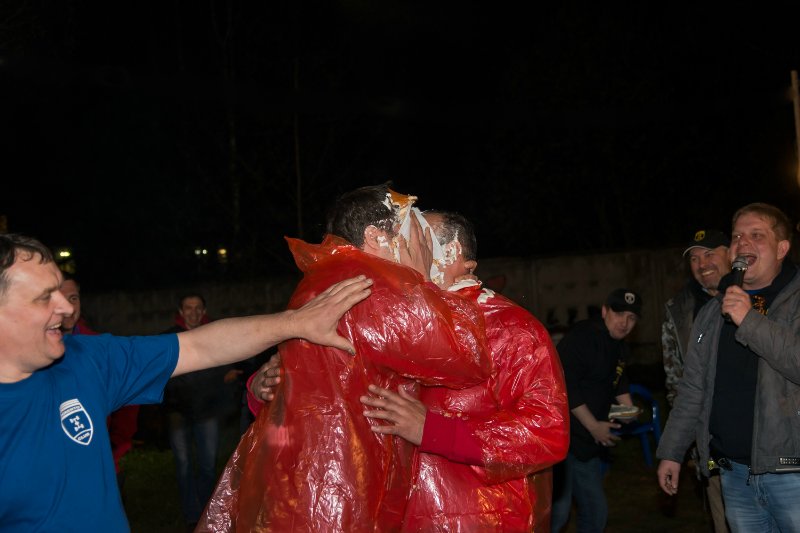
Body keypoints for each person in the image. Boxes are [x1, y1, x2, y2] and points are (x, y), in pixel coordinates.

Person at [0, 232, 372, 531]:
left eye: (62, 291)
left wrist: (296, 323)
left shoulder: (86, 360)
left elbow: (200, 346)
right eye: (44, 298)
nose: (66, 307)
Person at [198, 184, 491, 532]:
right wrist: (423, 281)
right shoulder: (372, 287)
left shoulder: (324, 277)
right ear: (376, 237)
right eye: (413, 233)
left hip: (301, 478)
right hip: (335, 488)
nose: (422, 246)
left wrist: (259, 387)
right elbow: (466, 360)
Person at [358, 210, 570, 532]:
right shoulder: (394, 326)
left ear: (454, 253)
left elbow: (546, 432)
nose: (398, 251)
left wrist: (434, 431)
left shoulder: (510, 330)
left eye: (414, 241)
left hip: (482, 519)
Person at [657, 203, 800, 532]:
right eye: (737, 237)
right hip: (734, 475)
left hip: (792, 474)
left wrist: (749, 321)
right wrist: (672, 451)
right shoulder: (713, 312)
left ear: (782, 248)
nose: (742, 243)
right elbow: (693, 388)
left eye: (756, 235)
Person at [550, 288, 642, 533]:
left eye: (631, 318)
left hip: (586, 445)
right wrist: (594, 426)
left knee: (595, 512)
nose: (624, 322)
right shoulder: (584, 336)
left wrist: (629, 410)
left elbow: (618, 382)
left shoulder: (619, 346)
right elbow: (565, 385)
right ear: (604, 311)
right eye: (618, 313)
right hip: (562, 440)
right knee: (557, 514)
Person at [661, 229, 731, 533]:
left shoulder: (758, 295)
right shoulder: (678, 309)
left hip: (767, 443)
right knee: (724, 519)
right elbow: (677, 382)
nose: (702, 264)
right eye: (694, 258)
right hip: (711, 443)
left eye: (710, 253)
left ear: (731, 253)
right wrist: (685, 444)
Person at [161, 293, 243, 530]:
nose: (194, 312)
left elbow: (227, 361)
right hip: (177, 410)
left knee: (207, 464)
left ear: (204, 311)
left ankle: (205, 513)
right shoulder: (170, 337)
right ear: (181, 311)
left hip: (207, 409)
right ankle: (191, 516)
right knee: (184, 463)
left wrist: (229, 373)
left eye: (198, 308)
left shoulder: (213, 333)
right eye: (189, 308)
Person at [60, 272, 141, 497]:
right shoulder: (30, 352)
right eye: (60, 298)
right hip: (53, 473)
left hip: (101, 466)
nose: (68, 307)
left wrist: (115, 445)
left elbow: (129, 398)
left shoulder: (99, 348)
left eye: (74, 298)